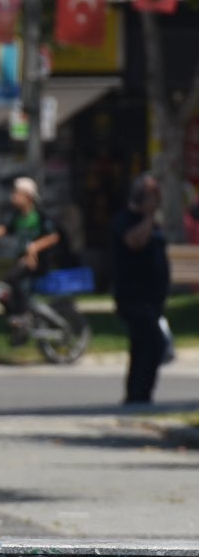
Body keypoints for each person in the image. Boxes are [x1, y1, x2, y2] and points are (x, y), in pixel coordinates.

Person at [0, 177, 61, 342]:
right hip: (23, 261)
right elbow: (3, 229)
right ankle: (17, 319)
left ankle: (22, 316)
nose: (13, 196)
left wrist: (34, 247)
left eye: (17, 193)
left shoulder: (38, 215)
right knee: (6, 290)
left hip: (38, 262)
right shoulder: (17, 216)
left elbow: (53, 237)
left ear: (27, 196)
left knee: (12, 278)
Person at [111, 172, 171, 405]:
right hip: (134, 296)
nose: (158, 201)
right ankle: (138, 393)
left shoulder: (152, 222)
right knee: (154, 343)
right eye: (154, 196)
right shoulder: (126, 219)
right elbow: (134, 242)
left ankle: (138, 394)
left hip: (152, 297)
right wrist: (147, 216)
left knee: (143, 345)